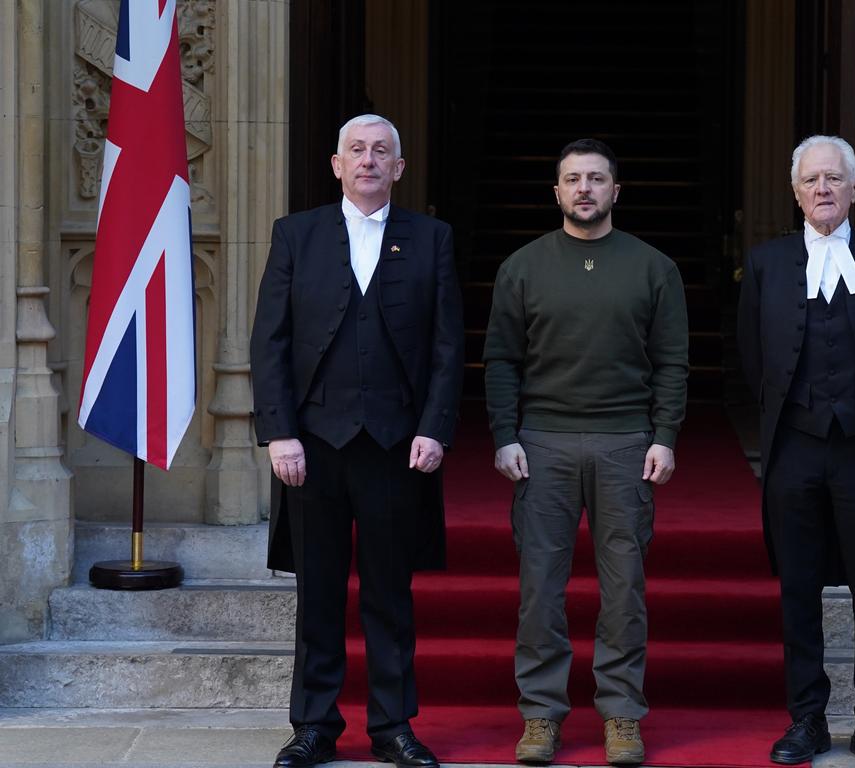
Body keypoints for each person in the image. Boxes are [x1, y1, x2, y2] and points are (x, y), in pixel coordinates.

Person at [250, 114, 464, 768]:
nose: (369, 160)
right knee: (317, 593)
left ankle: (393, 726)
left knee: (388, 592)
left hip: (397, 447)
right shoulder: (297, 235)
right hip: (310, 449)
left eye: (382, 152)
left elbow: (449, 348)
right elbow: (270, 343)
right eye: (357, 151)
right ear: (337, 165)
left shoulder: (432, 239)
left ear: (399, 168)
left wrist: (434, 426)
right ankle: (314, 726)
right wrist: (279, 432)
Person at [483, 138, 689, 765]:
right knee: (540, 588)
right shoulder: (523, 266)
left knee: (623, 587)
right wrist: (504, 435)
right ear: (557, 192)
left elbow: (672, 362)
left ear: (615, 191)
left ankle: (622, 715)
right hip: (542, 443)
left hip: (626, 442)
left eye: (596, 179)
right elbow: (501, 359)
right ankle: (541, 715)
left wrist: (665, 436)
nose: (584, 189)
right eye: (573, 179)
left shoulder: (654, 267)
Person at [737, 135, 855, 768]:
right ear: (795, 192)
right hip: (794, 450)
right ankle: (807, 719)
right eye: (812, 180)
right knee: (798, 588)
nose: (823, 189)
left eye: (834, 179)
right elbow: (750, 356)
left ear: (854, 189)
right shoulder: (766, 263)